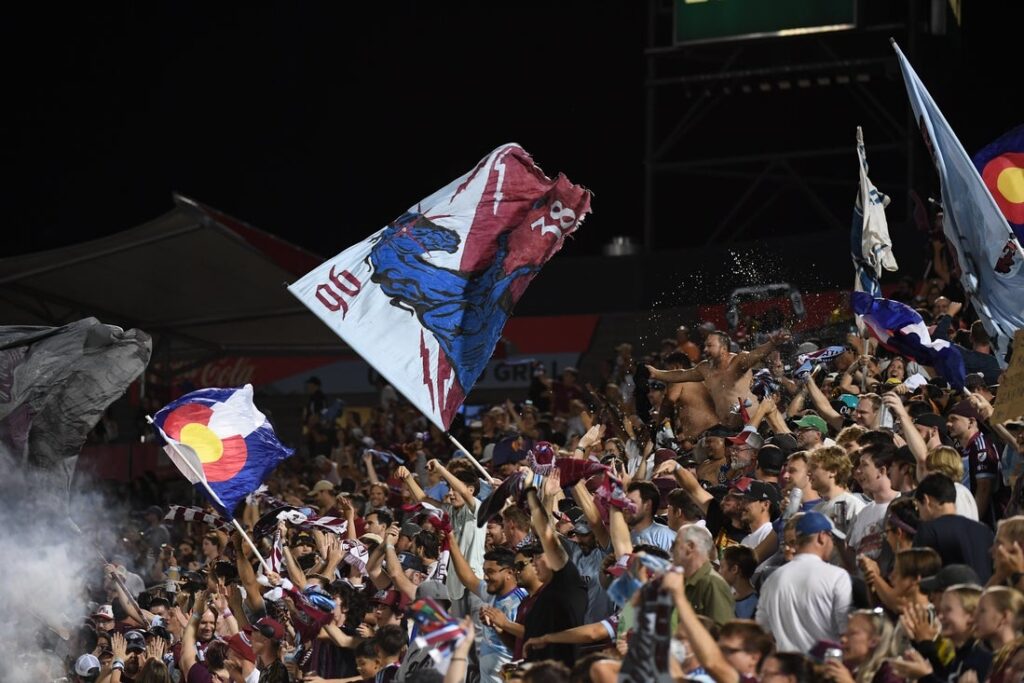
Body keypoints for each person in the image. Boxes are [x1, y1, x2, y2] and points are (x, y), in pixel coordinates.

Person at [646, 329, 791, 429]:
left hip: (755, 424)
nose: (705, 350)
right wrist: (656, 374)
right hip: (728, 429)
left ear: (723, 348)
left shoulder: (739, 361)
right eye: (705, 346)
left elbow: (756, 354)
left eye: (710, 346)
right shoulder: (705, 368)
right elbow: (682, 374)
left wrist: (772, 344)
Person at [756, 512, 852, 652]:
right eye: (831, 537)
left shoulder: (773, 578)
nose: (832, 544)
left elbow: (763, 629)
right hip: (824, 668)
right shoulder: (837, 576)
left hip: (786, 668)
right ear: (822, 537)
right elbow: (845, 629)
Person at [520, 486, 587, 667]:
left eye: (538, 556)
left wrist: (531, 494)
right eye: (532, 557)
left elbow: (546, 533)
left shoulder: (568, 583)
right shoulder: (544, 593)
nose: (533, 562)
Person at [447, 536, 526, 683]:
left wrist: (501, 625)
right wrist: (451, 541)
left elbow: (525, 640)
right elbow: (468, 578)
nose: (486, 577)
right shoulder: (492, 593)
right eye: (484, 571)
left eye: (491, 571)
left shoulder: (521, 601)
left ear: (509, 573)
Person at [913, 473, 994, 583]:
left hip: (950, 598)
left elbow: (922, 576)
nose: (920, 515)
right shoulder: (984, 531)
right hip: (984, 597)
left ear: (926, 500)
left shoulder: (928, 530)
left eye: (919, 508)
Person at [946, 399, 1000, 523]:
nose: (948, 424)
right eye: (948, 420)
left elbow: (984, 490)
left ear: (971, 422)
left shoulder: (982, 447)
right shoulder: (960, 449)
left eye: (953, 419)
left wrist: (972, 524)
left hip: (984, 521)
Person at [674, 523, 735, 627]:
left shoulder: (713, 584)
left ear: (690, 547)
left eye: (675, 544)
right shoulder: (683, 581)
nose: (672, 550)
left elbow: (721, 633)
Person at [848, 445, 900, 561]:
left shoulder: (903, 504)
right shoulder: (862, 514)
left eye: (864, 465)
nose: (858, 471)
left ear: (881, 471)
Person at [809, 446, 866, 535]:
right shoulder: (815, 510)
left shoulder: (853, 505)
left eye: (814, 467)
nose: (809, 472)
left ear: (832, 471)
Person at [625, 481, 676, 552]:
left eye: (632, 502)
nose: (625, 507)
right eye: (625, 502)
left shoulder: (665, 536)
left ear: (648, 505)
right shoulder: (625, 536)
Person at [720, 545, 758, 619]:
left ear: (734, 569)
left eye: (722, 567)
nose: (719, 572)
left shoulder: (756, 605)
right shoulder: (727, 596)